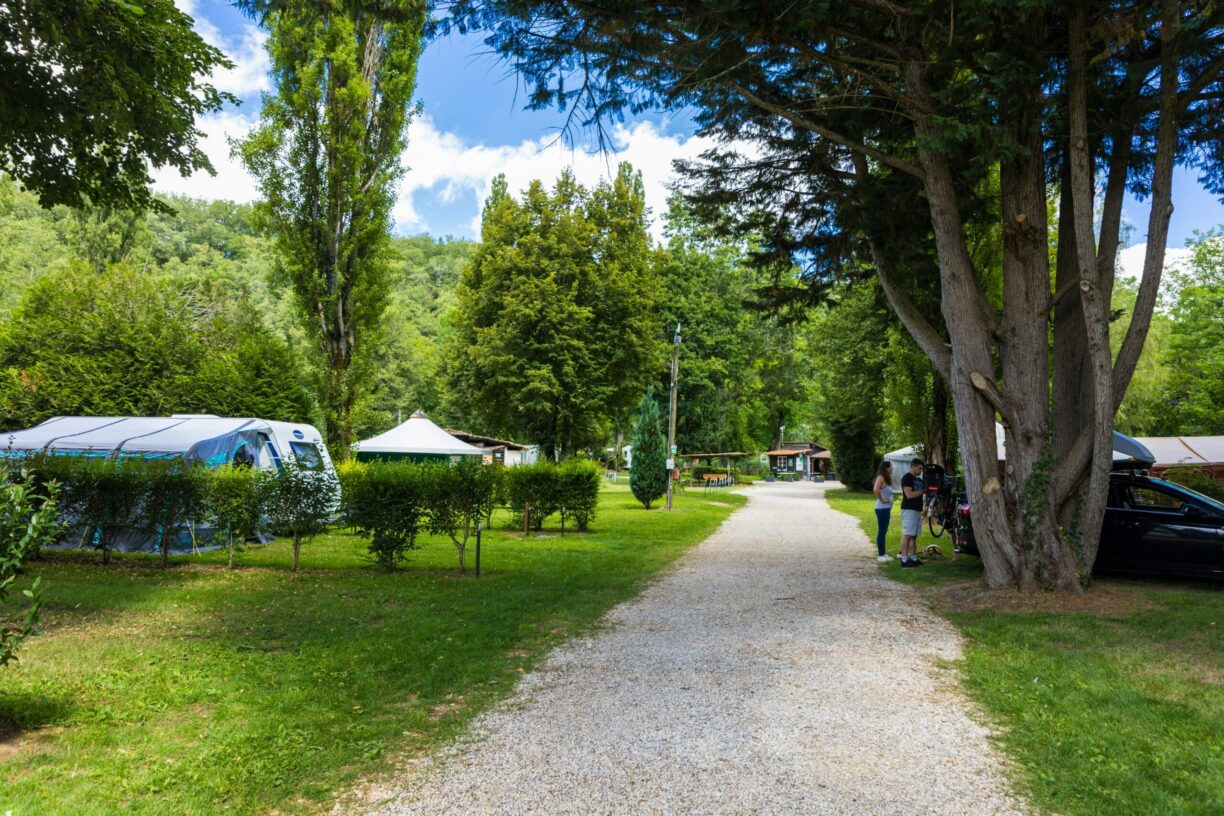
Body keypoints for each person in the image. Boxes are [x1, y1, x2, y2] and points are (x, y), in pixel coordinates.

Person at [899, 458, 925, 567]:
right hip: (909, 509)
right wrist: (922, 491)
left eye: (922, 469)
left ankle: (913, 558)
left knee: (914, 536)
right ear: (913, 466)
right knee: (907, 534)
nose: (921, 471)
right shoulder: (907, 478)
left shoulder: (918, 479)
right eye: (919, 468)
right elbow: (909, 495)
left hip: (917, 509)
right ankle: (904, 560)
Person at [872, 461, 895, 562]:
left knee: (883, 531)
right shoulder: (881, 477)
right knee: (882, 531)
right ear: (886, 468)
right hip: (882, 508)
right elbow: (875, 489)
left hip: (885, 509)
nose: (892, 468)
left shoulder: (885, 478)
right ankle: (881, 555)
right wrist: (882, 500)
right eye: (891, 466)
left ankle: (883, 554)